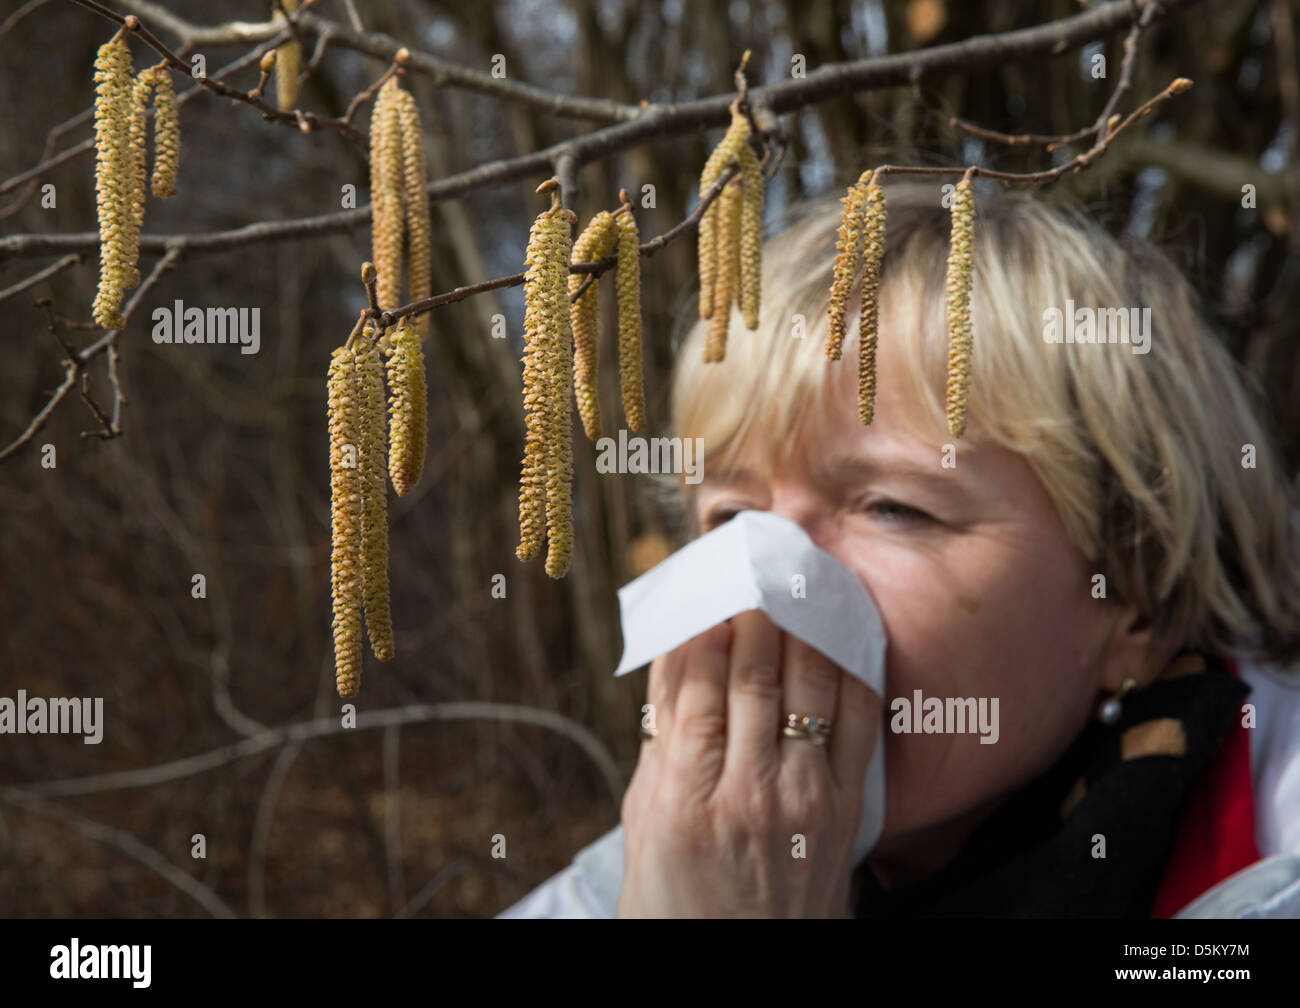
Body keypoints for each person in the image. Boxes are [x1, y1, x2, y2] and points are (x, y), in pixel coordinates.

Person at [498, 182, 1300, 918]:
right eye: (733, 512)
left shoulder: (1257, 863)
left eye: (892, 508)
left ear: (1138, 599)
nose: (771, 582)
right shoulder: (637, 881)